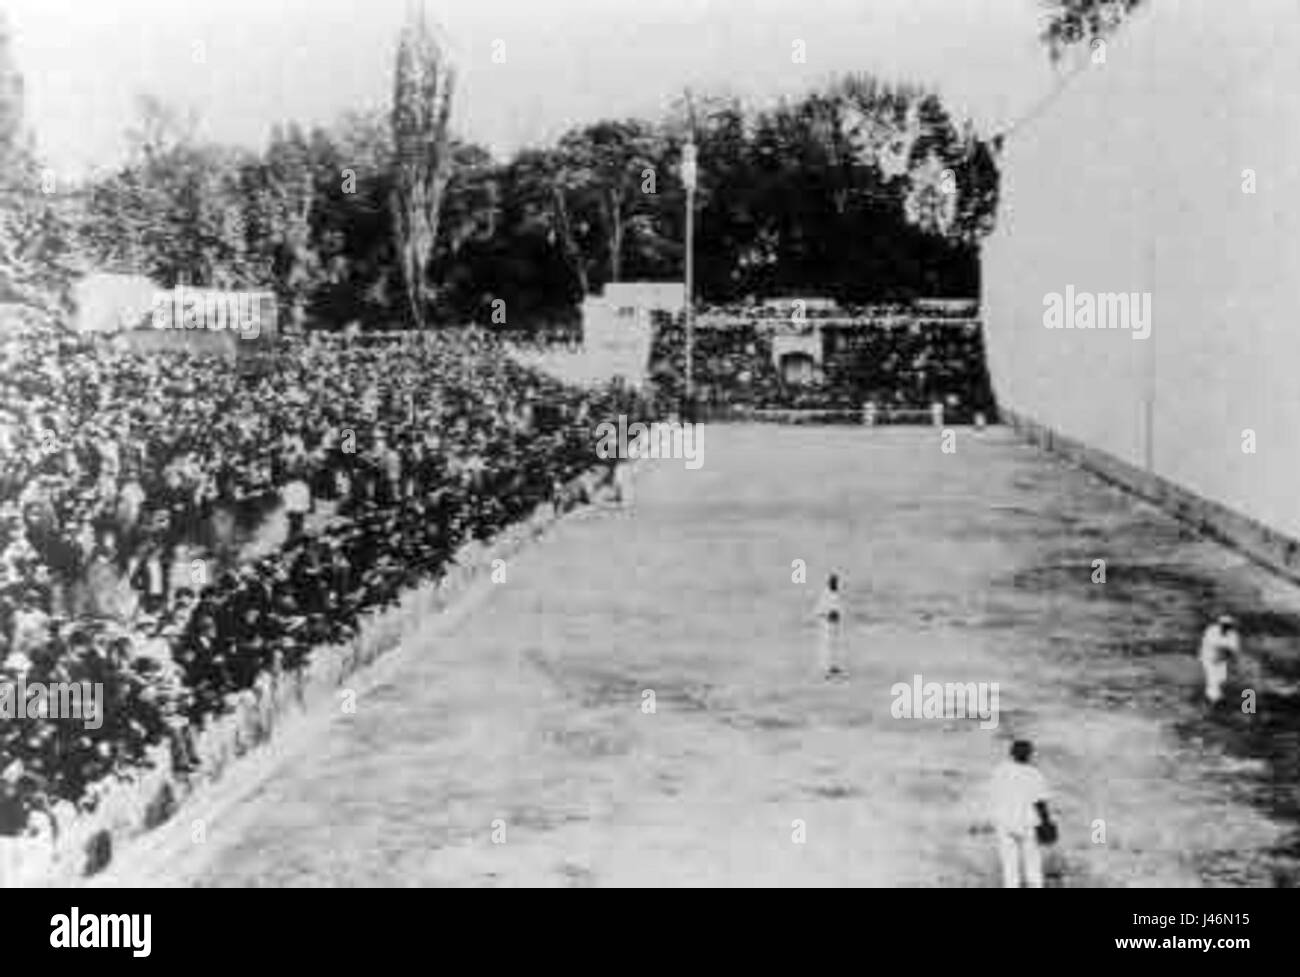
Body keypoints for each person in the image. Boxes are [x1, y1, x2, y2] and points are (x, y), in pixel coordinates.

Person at [990, 739, 1053, 888]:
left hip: (1004, 822)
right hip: (1027, 823)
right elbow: (1040, 802)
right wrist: (1046, 822)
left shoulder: (1000, 771)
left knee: (1009, 867)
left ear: (1011, 753)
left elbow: (994, 795)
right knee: (1032, 865)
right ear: (1029, 754)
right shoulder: (1034, 773)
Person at [1199, 614, 1240, 708]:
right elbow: (1211, 643)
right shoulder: (1211, 630)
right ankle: (1213, 699)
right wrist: (1222, 650)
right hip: (1209, 657)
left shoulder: (1233, 634)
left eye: (1228, 626)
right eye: (1224, 625)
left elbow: (1234, 648)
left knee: (1222, 678)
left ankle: (1217, 698)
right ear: (1220, 624)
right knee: (1212, 678)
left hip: (1223, 659)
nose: (1226, 628)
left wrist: (1226, 654)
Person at [814, 572, 845, 678]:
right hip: (826, 625)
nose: (835, 584)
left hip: (835, 626)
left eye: (836, 582)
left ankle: (833, 666)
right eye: (833, 582)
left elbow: (839, 608)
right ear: (829, 583)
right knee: (826, 647)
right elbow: (818, 611)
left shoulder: (837, 595)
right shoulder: (825, 595)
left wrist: (838, 615)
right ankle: (825, 669)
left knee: (835, 647)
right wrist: (828, 615)